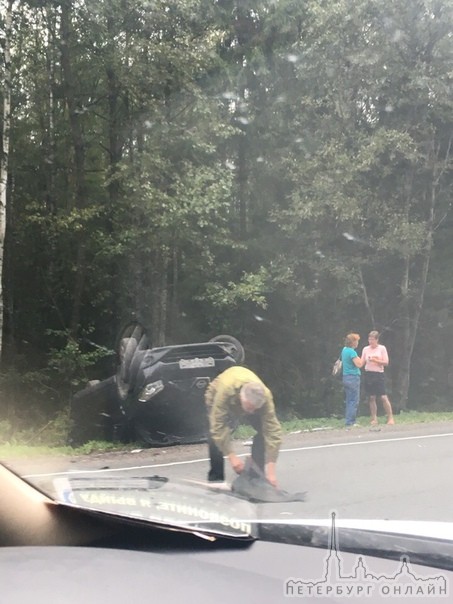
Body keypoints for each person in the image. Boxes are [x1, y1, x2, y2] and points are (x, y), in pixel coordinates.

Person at [205, 365, 282, 487]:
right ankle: (216, 479)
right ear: (242, 397)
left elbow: (273, 432)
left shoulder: (265, 396)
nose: (251, 412)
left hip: (247, 397)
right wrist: (232, 458)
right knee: (214, 433)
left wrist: (271, 472)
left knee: (263, 431)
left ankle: (256, 476)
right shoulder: (226, 391)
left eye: (254, 409)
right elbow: (218, 426)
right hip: (217, 394)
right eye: (249, 408)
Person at [361, 330, 395, 425]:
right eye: (369, 339)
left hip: (378, 374)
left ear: (377, 340)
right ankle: (374, 418)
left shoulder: (382, 348)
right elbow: (362, 362)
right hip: (369, 374)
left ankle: (390, 417)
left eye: (372, 340)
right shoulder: (365, 349)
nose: (370, 341)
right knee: (371, 397)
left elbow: (386, 362)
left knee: (383, 397)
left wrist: (376, 360)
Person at [341, 333, 365, 427]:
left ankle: (348, 420)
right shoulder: (352, 352)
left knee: (349, 399)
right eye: (357, 341)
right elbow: (359, 364)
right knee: (354, 400)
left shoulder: (344, 350)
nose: (358, 343)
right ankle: (350, 422)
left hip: (345, 376)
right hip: (353, 377)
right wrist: (364, 359)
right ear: (353, 342)